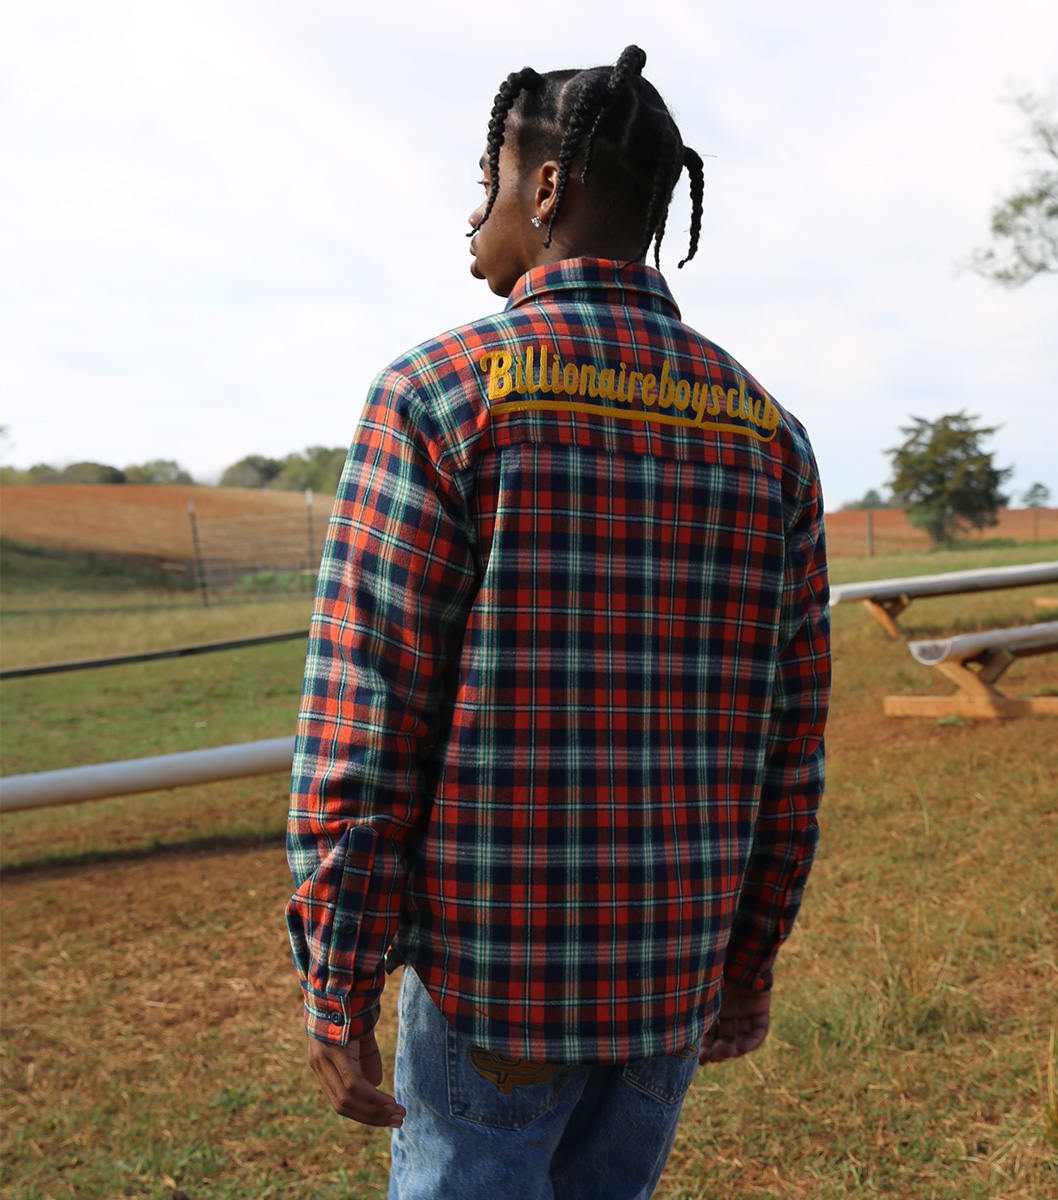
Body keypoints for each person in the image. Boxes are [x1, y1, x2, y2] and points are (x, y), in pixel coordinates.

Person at [285, 44, 831, 1199]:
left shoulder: (438, 397)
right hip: (669, 987)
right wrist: (750, 962)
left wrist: (337, 978)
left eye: (487, 180)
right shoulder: (768, 434)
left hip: (500, 991)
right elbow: (794, 744)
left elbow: (366, 721)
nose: (472, 212)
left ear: (543, 192)